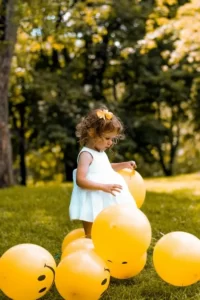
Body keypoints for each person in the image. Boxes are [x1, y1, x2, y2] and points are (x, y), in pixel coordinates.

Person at [69, 107, 137, 238]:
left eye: (113, 139)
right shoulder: (86, 154)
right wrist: (103, 187)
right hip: (92, 196)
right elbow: (80, 180)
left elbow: (105, 168)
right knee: (91, 233)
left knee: (107, 228)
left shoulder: (100, 153)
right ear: (92, 134)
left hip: (104, 196)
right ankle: (88, 243)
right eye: (107, 138)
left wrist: (124, 165)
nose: (111, 143)